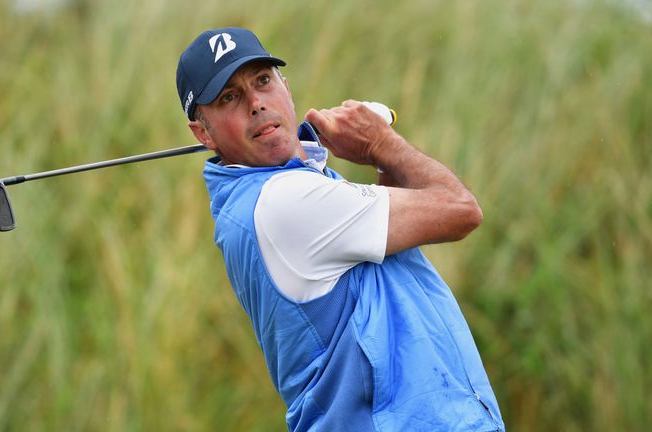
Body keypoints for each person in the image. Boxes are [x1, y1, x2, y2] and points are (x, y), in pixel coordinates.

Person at [176, 27, 505, 431]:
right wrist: (378, 144)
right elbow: (460, 210)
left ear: (286, 86)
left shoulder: (287, 190)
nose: (256, 104)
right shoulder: (283, 202)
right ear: (203, 133)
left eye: (263, 81)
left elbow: (389, 251)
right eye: (229, 97)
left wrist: (380, 158)